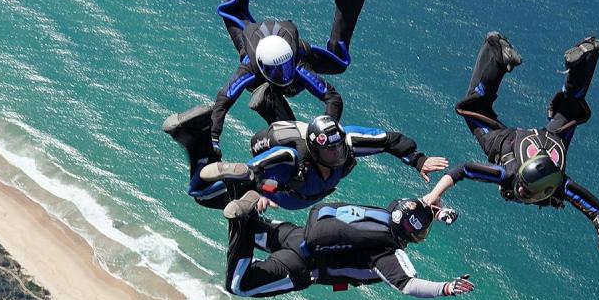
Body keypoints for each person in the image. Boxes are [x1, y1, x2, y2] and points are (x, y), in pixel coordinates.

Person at [439, 32, 599, 252]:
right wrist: (433, 195)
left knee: (571, 107)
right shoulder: (511, 174)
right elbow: (463, 170)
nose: (520, 192)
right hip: (507, 142)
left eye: (523, 191)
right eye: (522, 189)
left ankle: (587, 56)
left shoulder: (560, 184)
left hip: (552, 140)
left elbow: (596, 213)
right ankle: (497, 50)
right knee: (474, 108)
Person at [211, 0, 369, 158]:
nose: (283, 74)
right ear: (263, 66)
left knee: (232, 10)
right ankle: (348, 2)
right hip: (265, 43)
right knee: (338, 62)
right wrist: (214, 138)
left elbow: (223, 101)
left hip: (296, 50)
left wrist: (328, 131)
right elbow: (223, 101)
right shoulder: (250, 66)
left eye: (284, 69)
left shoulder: (296, 66)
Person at [162, 105, 448, 211]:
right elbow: (252, 170)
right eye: (329, 152)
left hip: (295, 193)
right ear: (313, 149)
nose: (336, 156)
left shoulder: (347, 141)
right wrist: (262, 194)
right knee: (201, 194)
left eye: (338, 149)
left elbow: (389, 140)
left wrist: (417, 159)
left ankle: (268, 99)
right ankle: (194, 137)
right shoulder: (289, 157)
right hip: (272, 185)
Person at [222, 179, 473, 298]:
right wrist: (446, 288)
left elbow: (417, 206)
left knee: (249, 227)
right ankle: (241, 218)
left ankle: (214, 160)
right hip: (302, 265)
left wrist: (435, 209)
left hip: (296, 233)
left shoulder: (390, 211)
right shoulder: (387, 252)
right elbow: (408, 285)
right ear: (416, 236)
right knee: (240, 286)